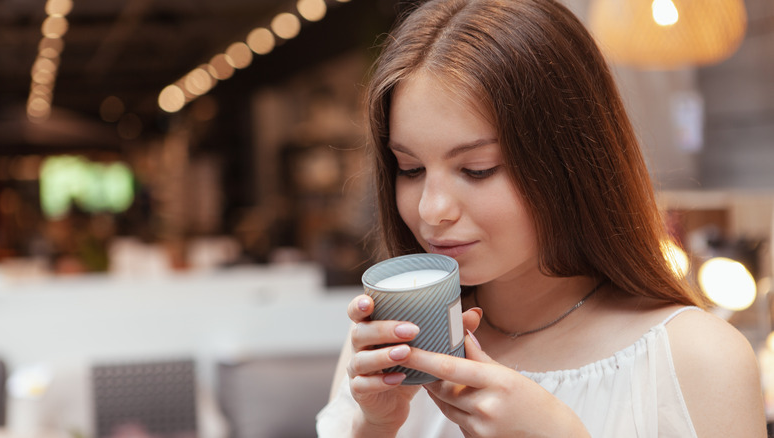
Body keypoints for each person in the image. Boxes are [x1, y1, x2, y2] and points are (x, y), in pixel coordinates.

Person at [316, 0, 767, 436]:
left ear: (571, 159)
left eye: (478, 169)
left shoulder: (697, 360)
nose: (431, 210)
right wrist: (371, 430)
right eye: (410, 169)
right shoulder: (391, 349)